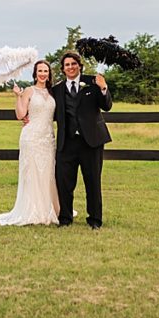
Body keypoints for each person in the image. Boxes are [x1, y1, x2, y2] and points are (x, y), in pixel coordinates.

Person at [0, 61, 62, 226]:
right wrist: (18, 96)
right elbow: (21, 114)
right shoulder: (29, 90)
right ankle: (32, 210)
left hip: (48, 138)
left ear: (49, 73)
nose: (43, 74)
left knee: (48, 173)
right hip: (31, 137)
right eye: (40, 71)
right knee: (32, 173)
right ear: (35, 73)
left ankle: (50, 208)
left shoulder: (53, 92)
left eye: (45, 71)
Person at [51, 51, 113, 229]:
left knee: (93, 181)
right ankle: (65, 218)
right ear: (63, 69)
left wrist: (103, 88)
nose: (70, 67)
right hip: (67, 142)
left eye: (73, 64)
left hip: (91, 141)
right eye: (67, 65)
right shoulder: (57, 89)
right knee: (64, 183)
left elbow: (107, 106)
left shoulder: (93, 82)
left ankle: (95, 220)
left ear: (79, 66)